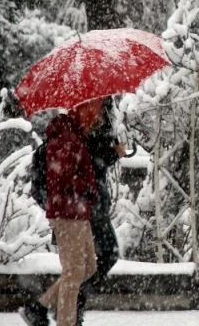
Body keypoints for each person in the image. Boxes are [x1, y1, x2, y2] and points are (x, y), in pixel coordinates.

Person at [20, 98, 101, 326]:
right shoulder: (66, 138)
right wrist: (89, 186)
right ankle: (65, 322)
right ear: (82, 109)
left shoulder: (75, 135)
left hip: (78, 211)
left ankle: (40, 306)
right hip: (68, 213)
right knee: (74, 273)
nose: (97, 116)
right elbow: (64, 178)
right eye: (94, 110)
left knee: (88, 267)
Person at [75, 97, 127, 326]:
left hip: (91, 201)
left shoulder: (100, 112)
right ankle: (65, 304)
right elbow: (92, 163)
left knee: (89, 261)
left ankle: (66, 304)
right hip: (89, 202)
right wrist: (114, 153)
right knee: (106, 254)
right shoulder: (84, 118)